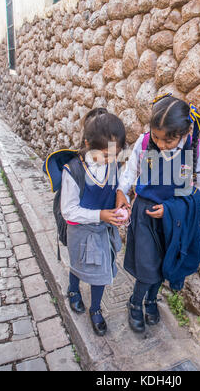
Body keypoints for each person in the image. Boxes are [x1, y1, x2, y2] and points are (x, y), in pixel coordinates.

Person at [116, 94, 200, 333]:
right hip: (145, 214)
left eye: (168, 141)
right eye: (157, 138)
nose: (161, 144)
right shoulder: (144, 142)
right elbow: (130, 172)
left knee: (161, 266)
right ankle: (135, 303)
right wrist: (121, 191)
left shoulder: (195, 150)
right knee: (147, 267)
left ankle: (151, 301)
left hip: (173, 220)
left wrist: (172, 209)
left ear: (184, 132)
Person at [61, 110, 126, 336]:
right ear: (88, 144)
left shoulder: (113, 164)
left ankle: (96, 308)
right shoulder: (74, 170)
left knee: (101, 271)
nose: (109, 161)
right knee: (78, 263)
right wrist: (101, 215)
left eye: (113, 155)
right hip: (81, 231)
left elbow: (116, 186)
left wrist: (121, 199)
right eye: (104, 156)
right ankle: (73, 290)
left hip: (102, 231)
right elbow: (68, 211)